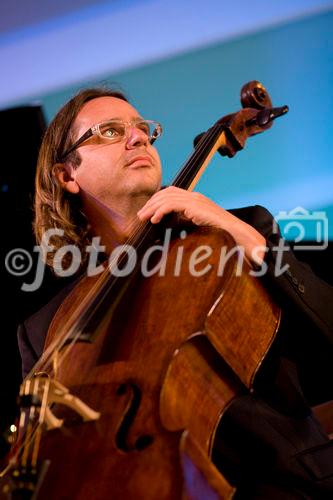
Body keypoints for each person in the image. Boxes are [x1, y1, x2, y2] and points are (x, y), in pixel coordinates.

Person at [17, 87, 333, 498]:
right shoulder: (45, 329)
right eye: (110, 131)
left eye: (143, 129)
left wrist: (238, 232)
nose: (139, 137)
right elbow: (41, 457)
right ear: (67, 175)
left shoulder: (232, 238)